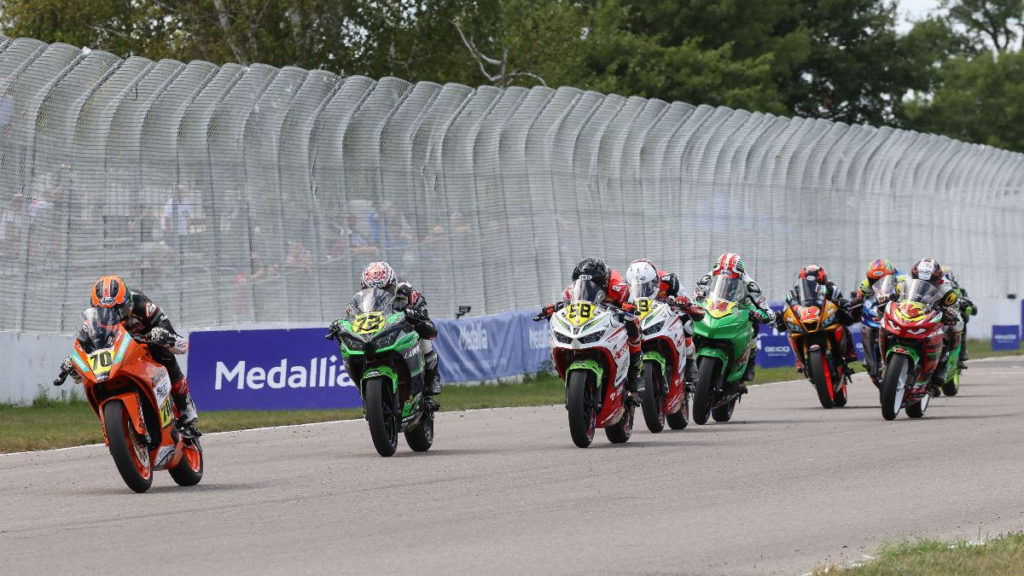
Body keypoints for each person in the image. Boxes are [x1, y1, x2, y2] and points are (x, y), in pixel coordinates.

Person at [58, 275, 199, 435]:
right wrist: (74, 361)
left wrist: (162, 335)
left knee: (164, 352)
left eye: (117, 309)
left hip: (146, 345)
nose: (112, 315)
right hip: (119, 355)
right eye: (104, 311)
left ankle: (186, 409)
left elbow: (182, 345)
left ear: (128, 303)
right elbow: (85, 346)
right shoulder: (93, 321)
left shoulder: (144, 305)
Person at [536, 257, 643, 399]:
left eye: (595, 284)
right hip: (591, 319)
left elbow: (633, 305)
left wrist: (629, 308)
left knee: (633, 324)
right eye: (583, 284)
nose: (587, 288)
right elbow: (565, 305)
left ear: (604, 283)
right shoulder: (571, 291)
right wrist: (553, 308)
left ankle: (634, 373)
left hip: (614, 317)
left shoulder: (618, 287)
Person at [331, 261, 442, 398]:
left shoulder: (406, 291)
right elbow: (351, 316)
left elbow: (422, 311)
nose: (379, 292)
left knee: (424, 338)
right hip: (377, 331)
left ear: (393, 284)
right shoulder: (360, 298)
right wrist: (340, 325)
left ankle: (432, 378)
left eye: (385, 289)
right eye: (370, 289)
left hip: (403, 328)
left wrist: (415, 313)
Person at [694, 252, 775, 383]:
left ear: (740, 274)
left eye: (731, 277)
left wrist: (765, 314)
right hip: (715, 307)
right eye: (721, 274)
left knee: (753, 329)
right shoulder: (708, 278)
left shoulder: (750, 285)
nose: (726, 280)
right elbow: (697, 295)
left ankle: (749, 365)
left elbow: (764, 307)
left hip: (741, 310)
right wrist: (696, 302)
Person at [624, 258, 705, 385]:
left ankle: (690, 360)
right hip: (642, 316)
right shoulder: (625, 288)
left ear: (656, 280)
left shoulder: (670, 281)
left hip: (667, 313)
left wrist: (685, 304)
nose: (643, 290)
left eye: (647, 286)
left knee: (685, 320)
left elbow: (691, 303)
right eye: (637, 287)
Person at [777, 264, 858, 373]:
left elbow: (840, 300)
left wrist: (843, 304)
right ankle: (799, 358)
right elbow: (788, 306)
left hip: (825, 318)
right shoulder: (795, 292)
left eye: (818, 281)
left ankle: (849, 351)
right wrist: (782, 315)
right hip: (806, 319)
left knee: (842, 323)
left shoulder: (831, 288)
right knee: (792, 332)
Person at [909, 258, 962, 383]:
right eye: (919, 279)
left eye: (929, 281)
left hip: (935, 312)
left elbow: (953, 304)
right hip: (913, 310)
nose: (923, 283)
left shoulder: (946, 287)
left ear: (937, 279)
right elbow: (898, 294)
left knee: (950, 328)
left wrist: (949, 312)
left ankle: (942, 366)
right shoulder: (909, 281)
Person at [941, 265, 975, 369]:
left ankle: (961, 353)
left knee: (962, 321)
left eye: (946, 276)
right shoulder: (934, 286)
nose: (945, 278)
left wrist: (965, 303)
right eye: (943, 276)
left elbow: (972, 307)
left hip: (953, 315)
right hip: (935, 313)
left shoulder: (959, 289)